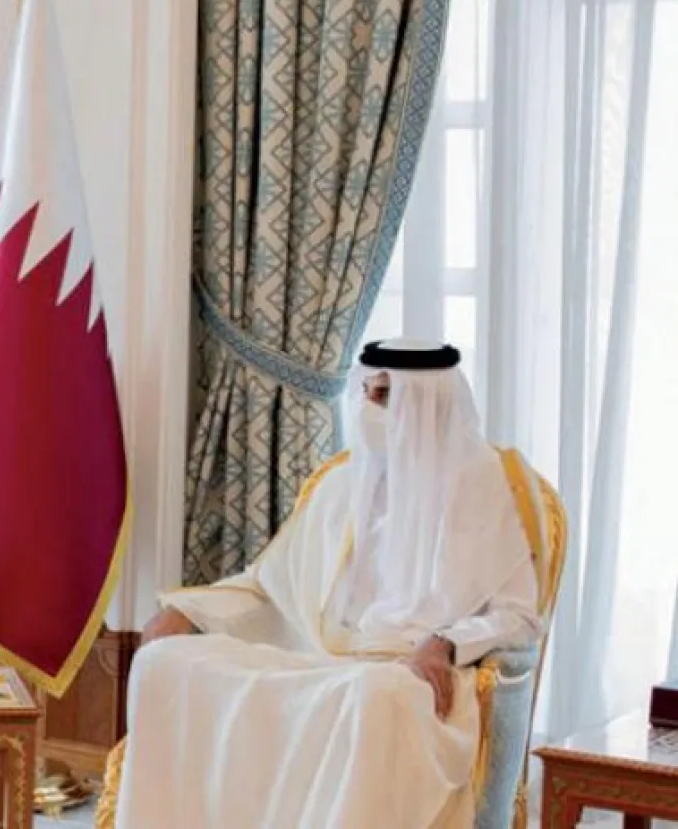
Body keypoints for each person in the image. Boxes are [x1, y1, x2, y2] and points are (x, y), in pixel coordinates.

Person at [115, 339, 548, 829]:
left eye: (383, 395)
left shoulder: (486, 488)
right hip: (322, 657)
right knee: (163, 660)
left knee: (377, 696)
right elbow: (269, 585)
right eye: (365, 392)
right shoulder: (342, 484)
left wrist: (444, 643)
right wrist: (189, 611)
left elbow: (519, 617)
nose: (367, 408)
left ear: (426, 402)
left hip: (415, 671)